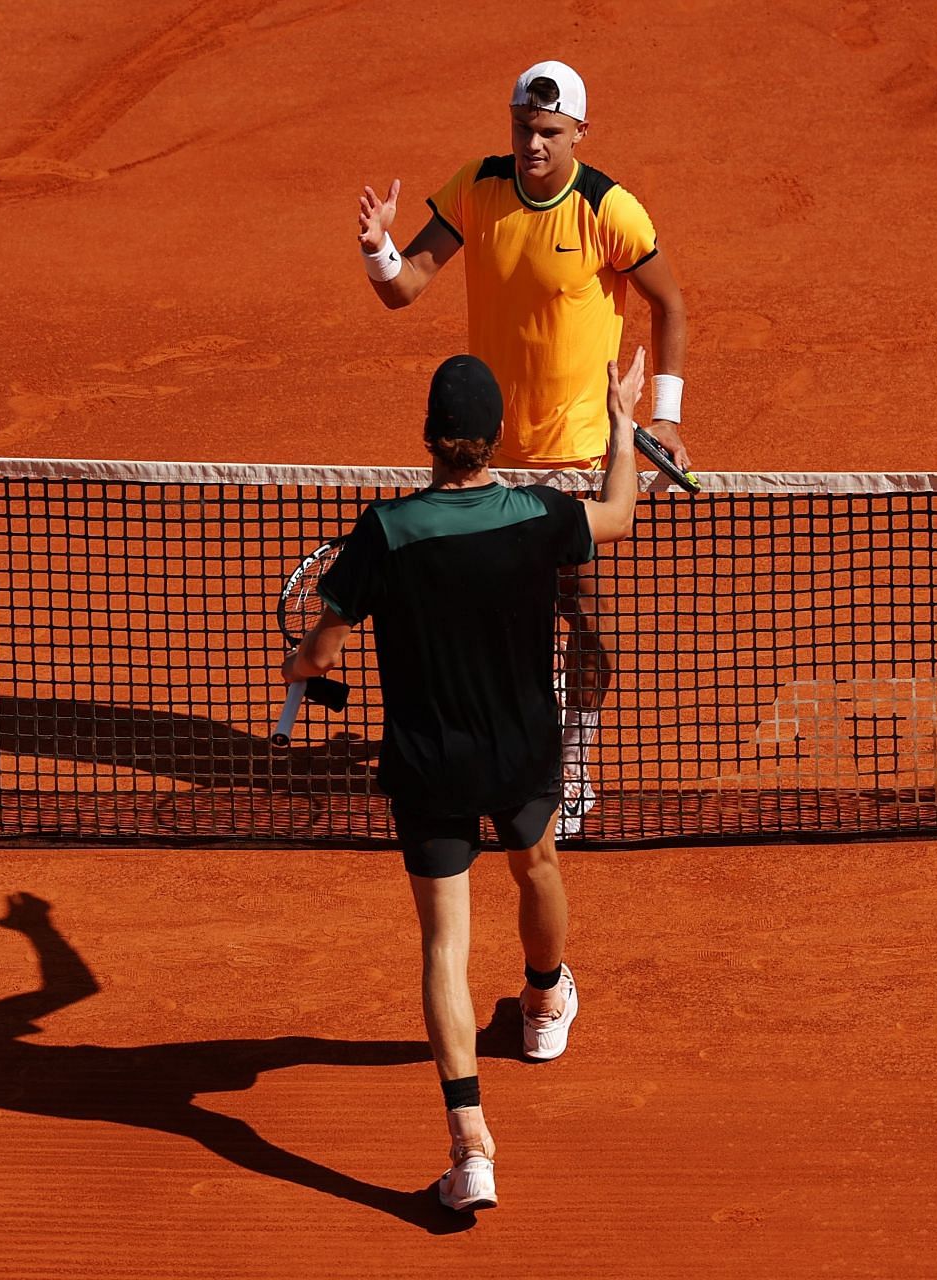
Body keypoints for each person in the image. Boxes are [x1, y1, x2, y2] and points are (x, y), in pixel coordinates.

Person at [282, 349, 645, 1213]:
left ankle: (470, 1144)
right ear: (496, 438)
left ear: (429, 437)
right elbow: (621, 515)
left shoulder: (386, 532)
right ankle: (545, 999)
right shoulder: (540, 514)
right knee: (539, 867)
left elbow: (325, 647)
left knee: (445, 945)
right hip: (520, 748)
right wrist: (623, 429)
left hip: (429, 762)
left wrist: (304, 659)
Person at [354, 59, 690, 836]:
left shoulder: (610, 210)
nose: (533, 144)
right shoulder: (477, 186)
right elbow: (404, 287)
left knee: (585, 619)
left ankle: (572, 758)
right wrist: (378, 248)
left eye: (548, 132)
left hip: (577, 458)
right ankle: (492, 754)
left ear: (579, 133)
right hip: (491, 459)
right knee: (493, 619)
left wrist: (664, 419)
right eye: (522, 129)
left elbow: (669, 302)